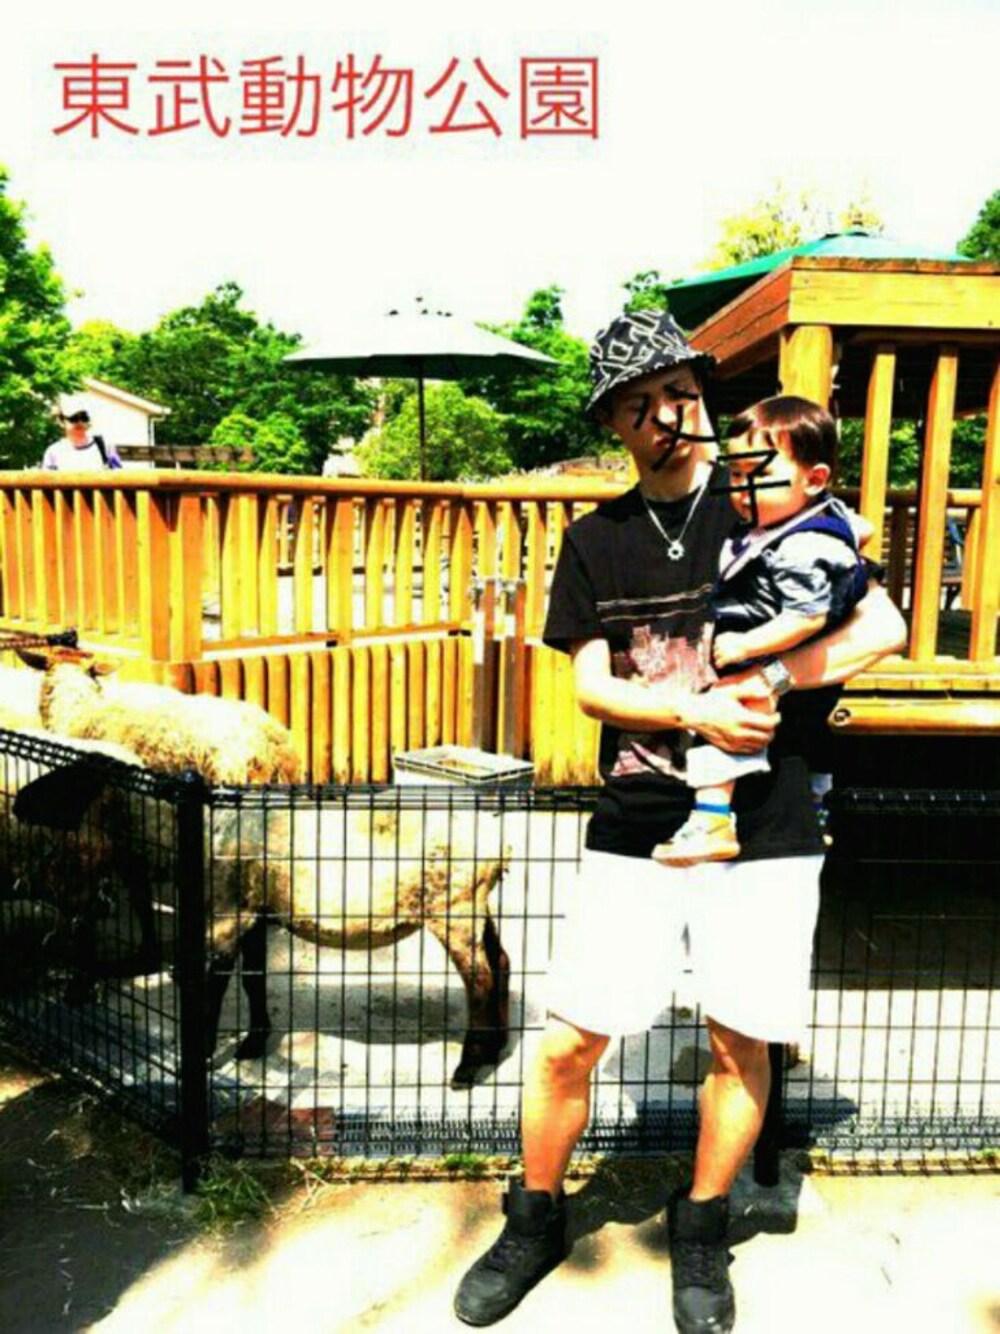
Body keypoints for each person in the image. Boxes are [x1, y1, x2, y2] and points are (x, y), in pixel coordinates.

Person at [453, 309, 905, 1333]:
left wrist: (776, 680)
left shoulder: (764, 500)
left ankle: (700, 1224)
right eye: (642, 404)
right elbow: (593, 688)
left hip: (769, 823)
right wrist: (693, 710)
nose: (669, 415)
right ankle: (534, 1217)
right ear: (615, 424)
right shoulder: (595, 541)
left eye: (681, 393)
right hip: (638, 820)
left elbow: (878, 621)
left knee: (740, 1040)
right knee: (568, 1040)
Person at [653, 395, 869, 866]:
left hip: (770, 653)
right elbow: (861, 528)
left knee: (724, 716)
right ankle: (817, 801)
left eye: (756, 473)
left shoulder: (801, 545)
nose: (741, 488)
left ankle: (712, 818)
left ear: (814, 479)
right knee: (808, 736)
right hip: (808, 676)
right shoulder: (811, 517)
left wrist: (745, 644)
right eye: (735, 474)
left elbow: (807, 615)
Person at [41, 399, 122, 472]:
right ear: (62, 421)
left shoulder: (105, 447)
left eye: (84, 418)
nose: (80, 423)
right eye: (74, 418)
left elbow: (120, 477)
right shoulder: (53, 452)